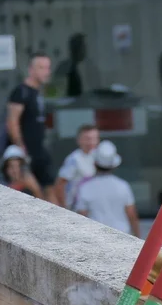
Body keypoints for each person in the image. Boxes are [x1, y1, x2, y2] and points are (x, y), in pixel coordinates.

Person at [6, 53, 55, 201]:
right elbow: (12, 121)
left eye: (47, 68)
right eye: (41, 68)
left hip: (39, 151)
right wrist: (20, 149)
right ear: (31, 70)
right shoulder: (22, 92)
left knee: (49, 189)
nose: (46, 72)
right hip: (26, 153)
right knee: (34, 192)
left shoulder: (38, 92)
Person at [74, 141, 140, 237]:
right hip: (123, 236)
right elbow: (132, 215)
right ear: (114, 166)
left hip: (97, 238)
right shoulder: (123, 186)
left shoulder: (85, 188)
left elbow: (82, 217)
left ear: (94, 163)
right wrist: (138, 237)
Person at [55, 124, 99, 211]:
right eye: (87, 139)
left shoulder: (98, 156)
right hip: (77, 207)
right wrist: (64, 208)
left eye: (94, 138)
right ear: (79, 140)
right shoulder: (74, 159)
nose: (91, 142)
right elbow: (60, 184)